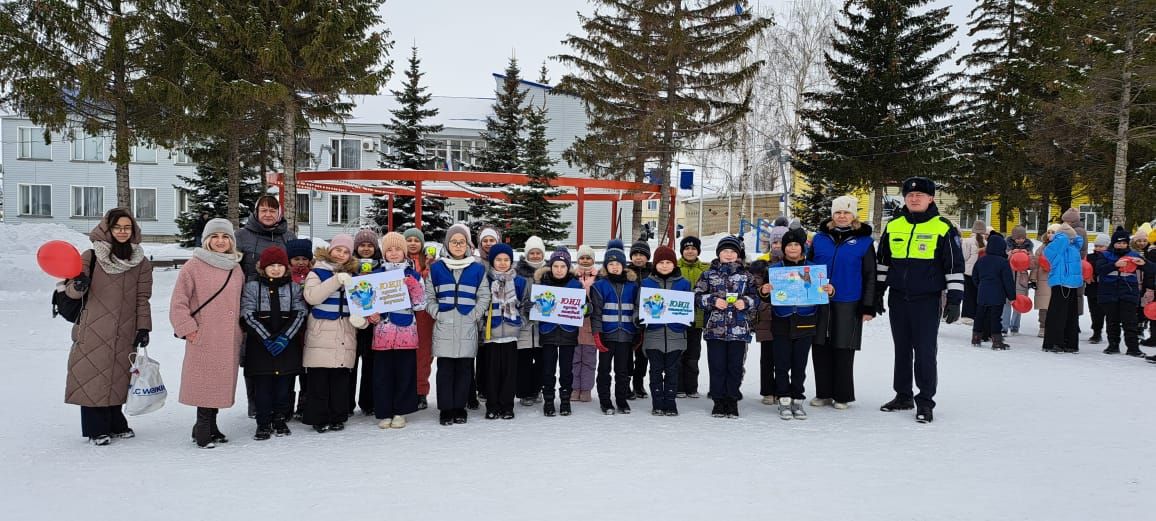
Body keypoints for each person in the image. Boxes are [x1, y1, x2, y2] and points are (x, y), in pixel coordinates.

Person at [875, 177, 964, 424]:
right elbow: (883, 263)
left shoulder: (943, 227)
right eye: (910, 195)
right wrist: (877, 293)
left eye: (920, 195)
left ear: (931, 199)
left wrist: (955, 299)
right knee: (902, 349)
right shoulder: (893, 226)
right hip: (898, 298)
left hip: (927, 299)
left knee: (924, 351)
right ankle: (903, 395)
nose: (914, 199)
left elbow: (955, 266)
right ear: (905, 198)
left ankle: (925, 401)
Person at [62, 208, 153, 446]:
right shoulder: (91, 256)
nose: (122, 232)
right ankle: (95, 428)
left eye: (127, 227)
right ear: (107, 229)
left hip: (126, 328)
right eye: (117, 227)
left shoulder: (140, 261)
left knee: (119, 376)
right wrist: (79, 284)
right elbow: (71, 290)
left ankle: (115, 422)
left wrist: (144, 327)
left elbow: (142, 297)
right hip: (93, 326)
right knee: (92, 374)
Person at [170, 218, 245, 448]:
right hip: (204, 334)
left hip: (228, 336)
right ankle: (202, 428)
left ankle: (210, 426)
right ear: (206, 240)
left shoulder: (235, 266)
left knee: (218, 383)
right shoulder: (193, 266)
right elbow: (178, 302)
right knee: (204, 382)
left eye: (225, 237)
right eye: (215, 237)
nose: (220, 241)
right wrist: (188, 330)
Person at [808, 195, 877, 409]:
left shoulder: (864, 242)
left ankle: (842, 395)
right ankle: (823, 393)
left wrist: (868, 305)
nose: (842, 216)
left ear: (854, 215)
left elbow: (870, 276)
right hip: (820, 301)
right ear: (832, 215)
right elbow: (807, 268)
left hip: (849, 301)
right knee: (820, 346)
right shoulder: (819, 239)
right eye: (838, 212)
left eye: (846, 212)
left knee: (843, 347)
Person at [235, 195, 297, 418]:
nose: (268, 214)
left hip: (283, 302)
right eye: (264, 210)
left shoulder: (288, 236)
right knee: (253, 355)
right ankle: (256, 404)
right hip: (252, 302)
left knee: (283, 354)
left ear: (279, 213)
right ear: (256, 212)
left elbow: (295, 267)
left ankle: (282, 406)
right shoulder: (241, 236)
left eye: (272, 210)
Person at [425, 223, 492, 425]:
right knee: (445, 370)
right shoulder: (437, 268)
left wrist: (474, 315)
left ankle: (459, 407)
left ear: (468, 245)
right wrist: (437, 313)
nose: (458, 245)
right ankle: (446, 409)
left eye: (461, 242)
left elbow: (484, 295)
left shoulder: (477, 268)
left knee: (464, 370)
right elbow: (428, 296)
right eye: (454, 242)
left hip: (467, 325)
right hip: (444, 325)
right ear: (447, 244)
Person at [302, 234, 368, 433]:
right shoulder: (317, 272)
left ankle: (338, 416)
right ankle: (318, 417)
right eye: (338, 250)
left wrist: (362, 322)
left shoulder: (355, 278)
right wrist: (336, 280)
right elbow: (312, 297)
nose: (341, 254)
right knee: (319, 380)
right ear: (330, 251)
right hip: (321, 334)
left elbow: (363, 305)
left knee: (339, 381)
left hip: (344, 334)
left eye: (346, 252)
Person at [240, 246, 307, 440]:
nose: (276, 269)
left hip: (287, 346)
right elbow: (248, 313)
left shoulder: (293, 288)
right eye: (271, 265)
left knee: (283, 387)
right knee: (262, 388)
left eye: (279, 265)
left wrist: (285, 337)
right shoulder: (253, 287)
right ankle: (263, 422)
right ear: (263, 267)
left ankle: (280, 419)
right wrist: (267, 338)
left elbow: (300, 313)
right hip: (260, 347)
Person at [695, 235, 758, 419]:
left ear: (738, 254)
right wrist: (713, 300)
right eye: (725, 251)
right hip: (714, 329)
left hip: (739, 330)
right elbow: (697, 295)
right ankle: (718, 401)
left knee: (735, 367)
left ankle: (732, 400)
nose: (729, 255)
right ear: (719, 254)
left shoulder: (746, 275)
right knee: (717, 366)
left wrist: (745, 301)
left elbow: (756, 296)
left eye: (733, 251)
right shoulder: (708, 274)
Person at [369, 233, 426, 429]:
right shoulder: (376, 274)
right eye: (389, 250)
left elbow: (420, 304)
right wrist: (371, 316)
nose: (393, 253)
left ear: (404, 251)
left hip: (406, 333)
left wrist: (412, 285)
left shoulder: (413, 274)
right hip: (383, 333)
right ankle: (384, 412)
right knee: (382, 376)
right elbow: (367, 302)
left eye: (397, 249)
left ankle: (401, 411)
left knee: (405, 373)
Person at [532, 247, 584, 417]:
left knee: (566, 369)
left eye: (563, 266)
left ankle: (565, 400)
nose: (559, 270)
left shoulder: (576, 285)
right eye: (556, 266)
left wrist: (584, 308)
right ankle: (548, 400)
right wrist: (531, 307)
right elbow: (532, 305)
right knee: (548, 369)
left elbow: (587, 307)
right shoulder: (543, 284)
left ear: (568, 267)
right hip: (548, 333)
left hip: (568, 333)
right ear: (550, 267)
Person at [641, 246, 691, 416]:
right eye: (660, 262)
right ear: (655, 264)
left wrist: (685, 320)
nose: (664, 265)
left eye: (668, 262)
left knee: (672, 371)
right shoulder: (646, 283)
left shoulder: (683, 283)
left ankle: (670, 402)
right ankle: (657, 402)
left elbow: (688, 307)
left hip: (676, 335)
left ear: (674, 264)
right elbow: (637, 306)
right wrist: (638, 317)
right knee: (655, 370)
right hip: (653, 335)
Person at [590, 242, 638, 415]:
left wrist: (637, 330)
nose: (615, 267)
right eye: (611, 264)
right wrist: (597, 333)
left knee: (622, 371)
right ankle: (605, 401)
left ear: (623, 265)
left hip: (626, 335)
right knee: (604, 370)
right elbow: (596, 313)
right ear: (605, 266)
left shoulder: (633, 286)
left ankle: (621, 400)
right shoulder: (599, 286)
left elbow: (637, 308)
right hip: (607, 335)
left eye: (618, 264)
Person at [481, 243, 527, 420]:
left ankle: (507, 405)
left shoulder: (519, 281)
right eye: (498, 259)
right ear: (492, 261)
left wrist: (521, 320)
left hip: (511, 333)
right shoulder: (485, 280)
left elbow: (524, 304)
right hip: (491, 333)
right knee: (491, 372)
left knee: (509, 372)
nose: (502, 263)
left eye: (506, 259)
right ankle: (492, 405)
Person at [1095, 226, 1152, 356]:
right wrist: (1114, 265)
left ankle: (1133, 348)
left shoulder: (1134, 255)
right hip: (1109, 292)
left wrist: (1143, 264)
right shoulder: (1105, 255)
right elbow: (1099, 270)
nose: (1121, 245)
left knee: (1130, 322)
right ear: (1113, 243)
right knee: (1112, 321)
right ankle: (1113, 345)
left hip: (1128, 292)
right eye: (1119, 242)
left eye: (1124, 243)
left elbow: (1152, 269)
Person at [350, 228, 383, 416]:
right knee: (350, 365)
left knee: (371, 365)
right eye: (362, 245)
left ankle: (368, 402)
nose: (366, 248)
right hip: (352, 323)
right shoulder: (349, 266)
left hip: (374, 323)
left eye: (370, 245)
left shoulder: (382, 266)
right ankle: (346, 403)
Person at [403, 227, 435, 410]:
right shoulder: (397, 260)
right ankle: (406, 390)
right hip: (404, 310)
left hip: (424, 314)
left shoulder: (429, 262)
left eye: (416, 240)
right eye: (409, 240)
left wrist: (430, 267)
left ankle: (421, 391)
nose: (413, 243)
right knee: (405, 354)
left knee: (423, 354)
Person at [1042, 224, 1085, 354]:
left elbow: (1078, 242)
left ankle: (1070, 343)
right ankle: (1055, 342)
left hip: (1071, 284)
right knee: (1057, 315)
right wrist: (1062, 236)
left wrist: (1072, 236)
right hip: (1059, 283)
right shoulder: (1053, 247)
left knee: (1071, 316)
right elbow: (1053, 252)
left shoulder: (1073, 247)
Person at [676, 236, 710, 399]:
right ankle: (678, 387)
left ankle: (691, 387)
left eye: (693, 248)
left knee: (693, 355)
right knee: (678, 354)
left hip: (697, 319)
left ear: (698, 251)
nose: (690, 251)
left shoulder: (705, 269)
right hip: (677, 319)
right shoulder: (674, 267)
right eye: (686, 248)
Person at [516, 236, 547, 406]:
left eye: (538, 253)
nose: (535, 256)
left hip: (543, 327)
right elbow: (513, 298)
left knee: (541, 362)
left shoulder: (549, 273)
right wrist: (523, 306)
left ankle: (537, 390)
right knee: (523, 362)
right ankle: (524, 392)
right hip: (524, 327)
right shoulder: (518, 274)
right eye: (532, 253)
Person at [285, 238, 314, 419]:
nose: (301, 262)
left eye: (304, 258)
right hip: (290, 330)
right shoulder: (285, 276)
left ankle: (304, 403)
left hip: (309, 328)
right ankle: (286, 405)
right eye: (296, 259)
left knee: (307, 371)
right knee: (289, 371)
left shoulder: (314, 275)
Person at [971, 232, 1015, 350]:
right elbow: (1008, 280)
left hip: (982, 293)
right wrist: (1012, 296)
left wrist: (980, 286)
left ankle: (976, 337)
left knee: (979, 316)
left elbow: (974, 276)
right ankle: (996, 341)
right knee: (995, 317)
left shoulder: (981, 260)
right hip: (997, 294)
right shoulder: (1003, 262)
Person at [572, 245, 599, 402]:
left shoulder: (599, 277)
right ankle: (575, 388)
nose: (585, 260)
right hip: (574, 325)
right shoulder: (571, 276)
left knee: (589, 359)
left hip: (590, 324)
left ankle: (586, 388)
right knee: (574, 359)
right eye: (582, 257)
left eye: (588, 257)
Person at [627, 240, 653, 399]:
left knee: (643, 355)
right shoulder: (625, 272)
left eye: (642, 255)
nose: (638, 258)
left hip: (648, 320)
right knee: (627, 355)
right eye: (635, 254)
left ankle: (638, 383)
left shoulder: (653, 272)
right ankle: (626, 382)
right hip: (628, 319)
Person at [1002, 227, 1034, 336]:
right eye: (1018, 238)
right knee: (1006, 302)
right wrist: (1011, 253)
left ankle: (1015, 327)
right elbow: (1003, 260)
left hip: (1022, 279)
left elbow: (1032, 265)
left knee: (1020, 302)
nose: (1020, 240)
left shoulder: (1029, 248)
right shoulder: (1007, 247)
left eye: (1023, 238)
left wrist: (1028, 255)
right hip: (1009, 277)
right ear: (1013, 238)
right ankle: (1004, 327)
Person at [1030, 225, 1059, 339]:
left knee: (1056, 304)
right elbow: (1036, 265)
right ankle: (1043, 326)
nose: (1050, 234)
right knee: (1044, 304)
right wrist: (1033, 278)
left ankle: (1055, 326)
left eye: (1053, 232)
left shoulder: (1061, 247)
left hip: (1057, 278)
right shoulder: (1042, 248)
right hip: (1043, 279)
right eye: (1049, 232)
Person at [961, 220, 987, 324]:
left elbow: (964, 256)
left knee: (968, 294)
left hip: (969, 272)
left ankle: (967, 316)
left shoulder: (967, 241)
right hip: (981, 272)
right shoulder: (986, 243)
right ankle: (977, 314)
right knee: (978, 294)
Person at [1086, 234, 1110, 344]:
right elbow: (1084, 268)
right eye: (1096, 246)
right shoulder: (1090, 257)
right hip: (1092, 287)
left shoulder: (1110, 257)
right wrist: (1086, 276)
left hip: (1106, 288)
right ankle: (1096, 332)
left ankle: (1110, 333)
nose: (1098, 248)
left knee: (1105, 311)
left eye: (1101, 246)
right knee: (1094, 311)